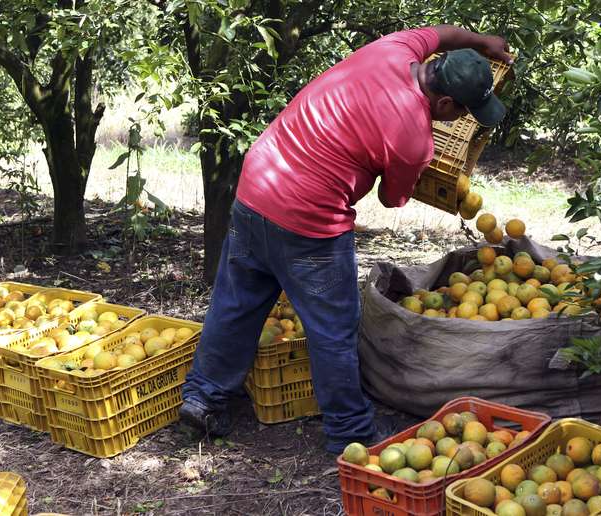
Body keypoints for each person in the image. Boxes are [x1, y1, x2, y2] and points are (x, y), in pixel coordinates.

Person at [180, 25, 512, 453]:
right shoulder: (414, 136)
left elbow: (442, 33)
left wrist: (483, 42)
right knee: (334, 329)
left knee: (236, 304)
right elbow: (392, 198)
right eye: (463, 112)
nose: (461, 120)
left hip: (257, 184)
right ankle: (350, 431)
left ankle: (202, 399)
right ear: (445, 103)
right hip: (308, 220)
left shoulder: (394, 49)